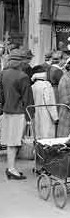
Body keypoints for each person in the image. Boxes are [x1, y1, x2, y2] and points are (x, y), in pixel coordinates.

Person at [0, 49, 34, 180]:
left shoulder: (3, 73)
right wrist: (30, 117)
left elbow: (1, 94)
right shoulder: (23, 76)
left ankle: (11, 167)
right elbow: (28, 99)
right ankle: (11, 169)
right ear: (20, 61)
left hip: (7, 111)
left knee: (10, 141)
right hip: (18, 112)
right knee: (14, 142)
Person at [31, 65, 58, 139]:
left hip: (36, 115)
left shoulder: (33, 86)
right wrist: (55, 117)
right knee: (47, 138)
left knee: (37, 137)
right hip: (46, 115)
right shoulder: (47, 85)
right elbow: (50, 102)